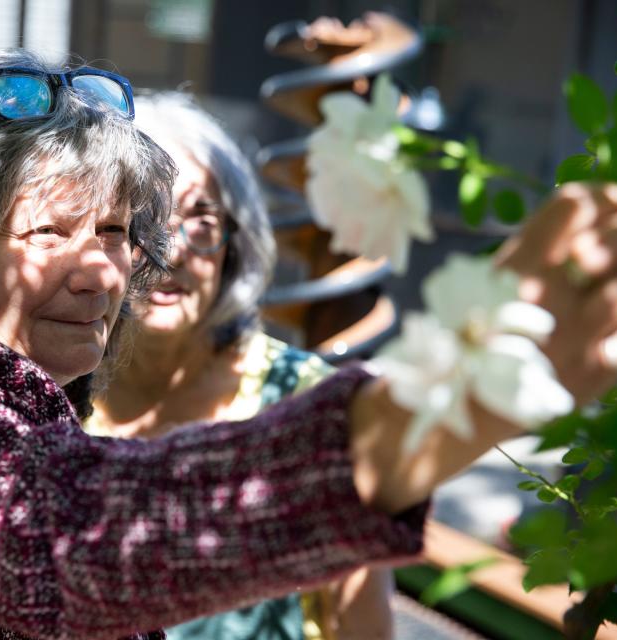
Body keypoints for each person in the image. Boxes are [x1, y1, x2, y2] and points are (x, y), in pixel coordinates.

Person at [0, 48, 617, 639]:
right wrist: (446, 394)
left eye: (117, 235)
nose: (100, 273)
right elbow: (66, 540)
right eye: (49, 232)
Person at [85, 92, 395, 640]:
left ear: (235, 242)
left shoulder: (309, 401)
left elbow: (363, 626)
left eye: (201, 219)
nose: (172, 251)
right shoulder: (53, 397)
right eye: (146, 219)